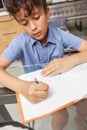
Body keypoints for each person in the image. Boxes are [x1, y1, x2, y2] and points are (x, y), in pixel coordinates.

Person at [1, 0, 87, 130]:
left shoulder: (59, 35)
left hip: (61, 83)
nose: (33, 27)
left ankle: (79, 119)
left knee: (85, 105)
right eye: (24, 23)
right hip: (39, 88)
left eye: (36, 18)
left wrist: (70, 60)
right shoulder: (20, 42)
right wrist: (23, 87)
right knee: (61, 117)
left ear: (47, 13)